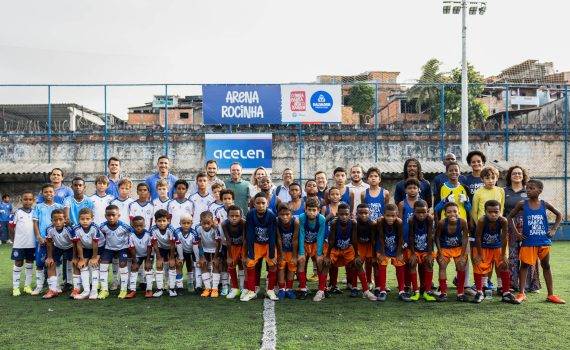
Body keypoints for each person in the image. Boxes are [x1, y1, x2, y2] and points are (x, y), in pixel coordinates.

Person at [508, 180, 565, 304]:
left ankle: (550, 295)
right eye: (527, 188)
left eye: (531, 188)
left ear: (539, 191)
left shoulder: (544, 204)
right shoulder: (522, 204)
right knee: (524, 266)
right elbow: (510, 216)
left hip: (543, 241)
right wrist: (517, 233)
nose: (528, 190)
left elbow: (559, 215)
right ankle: (521, 293)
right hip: (528, 242)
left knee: (546, 266)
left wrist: (554, 229)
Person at [325, 203, 377, 301]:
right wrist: (327, 255)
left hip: (349, 248)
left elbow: (354, 240)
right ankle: (323, 289)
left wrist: (356, 254)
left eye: (346, 214)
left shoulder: (355, 223)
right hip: (336, 249)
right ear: (337, 214)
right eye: (341, 214)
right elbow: (331, 240)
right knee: (326, 263)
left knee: (357, 263)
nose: (344, 216)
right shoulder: (334, 223)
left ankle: (365, 290)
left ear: (350, 214)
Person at [472, 200, 518, 304]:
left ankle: (505, 293)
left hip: (497, 247)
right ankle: (479, 292)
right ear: (485, 211)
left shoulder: (503, 220)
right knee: (479, 266)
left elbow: (504, 237)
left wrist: (503, 255)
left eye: (496, 212)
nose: (493, 214)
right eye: (490, 212)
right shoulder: (482, 220)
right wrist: (479, 254)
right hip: (483, 247)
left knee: (504, 265)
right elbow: (478, 237)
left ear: (500, 211)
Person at [503, 166, 540, 292]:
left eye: (519, 173)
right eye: (514, 173)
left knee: (529, 254)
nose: (517, 175)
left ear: (523, 176)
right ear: (510, 175)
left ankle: (532, 285)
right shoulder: (504, 191)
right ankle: (512, 285)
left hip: (528, 226)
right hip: (510, 225)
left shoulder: (529, 190)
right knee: (513, 255)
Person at [471, 166, 505, 292]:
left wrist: (499, 224)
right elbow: (474, 211)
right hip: (483, 229)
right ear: (482, 179)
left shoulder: (500, 190)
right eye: (487, 178)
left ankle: (501, 285)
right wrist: (480, 225)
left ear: (497, 178)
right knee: (484, 259)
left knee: (499, 259)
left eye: (493, 178)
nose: (490, 180)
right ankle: (484, 284)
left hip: (497, 229)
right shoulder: (479, 192)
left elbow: (501, 209)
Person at [241, 193, 278, 302]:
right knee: (250, 263)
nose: (261, 205)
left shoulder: (271, 215)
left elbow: (272, 236)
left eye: (263, 203)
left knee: (272, 264)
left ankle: (270, 290)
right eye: (258, 203)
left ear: (267, 203)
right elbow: (250, 235)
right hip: (256, 244)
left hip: (268, 244)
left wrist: (271, 254)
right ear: (254, 204)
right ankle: (251, 291)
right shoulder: (250, 214)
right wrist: (250, 253)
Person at [31, 184, 64, 295]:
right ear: (42, 193)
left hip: (56, 240)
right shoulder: (38, 206)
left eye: (50, 192)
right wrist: (39, 236)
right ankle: (39, 286)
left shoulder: (59, 206)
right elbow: (35, 223)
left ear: (54, 193)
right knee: (40, 263)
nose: (48, 194)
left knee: (56, 262)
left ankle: (57, 285)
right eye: (46, 192)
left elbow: (62, 222)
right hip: (42, 240)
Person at [435, 202, 469, 302]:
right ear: (445, 214)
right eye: (449, 212)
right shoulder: (442, 223)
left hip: (458, 249)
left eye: (454, 211)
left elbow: (465, 238)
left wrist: (463, 255)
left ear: (458, 211)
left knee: (461, 266)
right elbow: (436, 237)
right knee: (442, 265)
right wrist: (440, 253)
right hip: (445, 249)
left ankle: (460, 293)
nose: (452, 214)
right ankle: (443, 293)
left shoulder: (463, 222)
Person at [375, 204, 408, 302]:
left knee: (400, 264)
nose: (390, 218)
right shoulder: (380, 221)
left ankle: (401, 291)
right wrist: (382, 253)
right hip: (383, 246)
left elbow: (401, 238)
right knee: (382, 263)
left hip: (396, 247)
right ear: (383, 215)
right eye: (388, 216)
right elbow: (380, 237)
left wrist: (399, 253)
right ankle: (382, 290)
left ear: (397, 214)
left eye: (393, 216)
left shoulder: (399, 222)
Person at [97, 205, 131, 300]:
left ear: (118, 215)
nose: (111, 217)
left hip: (122, 249)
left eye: (113, 215)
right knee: (103, 265)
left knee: (123, 264)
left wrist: (130, 250)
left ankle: (123, 290)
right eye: (109, 215)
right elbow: (100, 237)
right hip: (109, 248)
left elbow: (131, 236)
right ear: (105, 216)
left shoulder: (125, 227)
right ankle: (104, 290)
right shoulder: (102, 226)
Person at [297, 197, 327, 300]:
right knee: (301, 260)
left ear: (318, 210)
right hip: (305, 243)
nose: (311, 212)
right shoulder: (301, 217)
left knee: (319, 260)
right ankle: (302, 288)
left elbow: (320, 236)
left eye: (314, 210)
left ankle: (322, 288)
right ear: (305, 209)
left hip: (316, 244)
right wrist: (301, 252)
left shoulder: (321, 219)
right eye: (309, 210)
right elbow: (301, 234)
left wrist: (319, 253)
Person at [407, 200, 436, 302]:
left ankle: (427, 292)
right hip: (415, 248)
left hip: (426, 248)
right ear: (414, 211)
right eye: (418, 212)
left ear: (427, 211)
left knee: (429, 263)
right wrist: (413, 253)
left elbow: (430, 236)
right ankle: (416, 291)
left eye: (424, 212)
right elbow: (410, 236)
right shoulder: (411, 220)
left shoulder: (429, 218)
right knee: (412, 262)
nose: (421, 215)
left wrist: (429, 254)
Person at [41, 209, 75, 299]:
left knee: (75, 264)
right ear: (51, 220)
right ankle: (53, 290)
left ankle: (76, 288)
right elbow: (49, 242)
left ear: (65, 219)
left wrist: (75, 257)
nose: (58, 222)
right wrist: (49, 257)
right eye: (55, 220)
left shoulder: (69, 229)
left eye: (60, 219)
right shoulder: (49, 229)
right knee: (50, 263)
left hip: (71, 247)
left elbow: (75, 243)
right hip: (58, 247)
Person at [72, 208, 104, 300]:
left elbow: (95, 243)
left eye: (87, 219)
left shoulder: (95, 228)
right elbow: (78, 244)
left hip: (99, 247)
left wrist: (94, 257)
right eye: (82, 219)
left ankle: (94, 291)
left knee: (92, 264)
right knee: (82, 265)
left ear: (92, 219)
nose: (85, 221)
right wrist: (81, 258)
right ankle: (86, 291)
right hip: (86, 247)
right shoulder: (76, 229)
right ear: (79, 219)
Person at [109, 178, 134, 291]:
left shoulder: (132, 202)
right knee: (115, 256)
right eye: (122, 188)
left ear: (130, 189)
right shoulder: (113, 202)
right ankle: (115, 280)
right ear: (118, 189)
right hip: (115, 233)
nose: (124, 190)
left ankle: (127, 280)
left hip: (128, 233)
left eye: (126, 188)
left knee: (128, 257)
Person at [9, 191, 35, 296]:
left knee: (29, 264)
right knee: (18, 263)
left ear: (33, 201)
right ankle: (15, 287)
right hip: (19, 244)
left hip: (32, 244)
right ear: (21, 200)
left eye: (30, 199)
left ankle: (27, 286)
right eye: (25, 199)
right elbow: (11, 227)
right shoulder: (17, 212)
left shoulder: (35, 212)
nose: (27, 201)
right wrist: (13, 240)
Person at [150, 209, 178, 298]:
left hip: (171, 249)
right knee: (159, 265)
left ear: (168, 221)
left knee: (172, 265)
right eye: (159, 221)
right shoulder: (153, 229)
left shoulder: (171, 229)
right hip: (160, 248)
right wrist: (158, 257)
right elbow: (154, 243)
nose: (162, 223)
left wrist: (172, 257)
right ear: (155, 221)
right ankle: (159, 289)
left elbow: (173, 244)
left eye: (164, 221)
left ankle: (172, 288)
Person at [222, 205, 246, 299]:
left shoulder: (244, 223)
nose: (234, 218)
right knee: (231, 264)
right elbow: (228, 240)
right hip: (232, 247)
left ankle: (243, 288)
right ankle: (235, 288)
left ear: (241, 216)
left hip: (243, 246)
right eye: (231, 216)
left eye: (237, 216)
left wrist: (244, 254)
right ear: (228, 216)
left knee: (243, 264)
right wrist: (230, 256)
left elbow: (245, 239)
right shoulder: (224, 224)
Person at [196, 211, 222, 298]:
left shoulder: (216, 229)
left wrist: (215, 257)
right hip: (205, 249)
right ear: (200, 222)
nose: (206, 225)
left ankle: (215, 288)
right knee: (203, 264)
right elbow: (199, 243)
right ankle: (207, 288)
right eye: (204, 223)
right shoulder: (198, 229)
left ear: (212, 221)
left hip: (216, 249)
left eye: (208, 223)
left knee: (215, 264)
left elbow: (218, 243)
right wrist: (201, 255)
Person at [276, 204, 299, 300]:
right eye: (282, 214)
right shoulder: (277, 222)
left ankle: (289, 288)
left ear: (291, 214)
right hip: (281, 249)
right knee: (281, 266)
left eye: (287, 214)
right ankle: (281, 288)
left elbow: (295, 239)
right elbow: (278, 238)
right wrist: (280, 254)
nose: (285, 217)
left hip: (291, 249)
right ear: (278, 214)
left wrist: (294, 256)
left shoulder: (296, 222)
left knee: (292, 266)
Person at [127, 216, 153, 298]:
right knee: (134, 268)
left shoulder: (148, 234)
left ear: (144, 225)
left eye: (141, 226)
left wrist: (148, 260)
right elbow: (132, 248)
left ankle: (149, 290)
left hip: (148, 254)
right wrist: (135, 261)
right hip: (137, 254)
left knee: (148, 268)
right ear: (133, 226)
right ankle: (132, 290)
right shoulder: (131, 235)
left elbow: (149, 247)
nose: (138, 228)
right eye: (136, 226)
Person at [354, 204, 376, 295]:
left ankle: (369, 282)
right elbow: (354, 239)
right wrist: (356, 253)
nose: (363, 215)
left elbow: (374, 240)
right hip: (359, 245)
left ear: (369, 213)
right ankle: (354, 286)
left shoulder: (372, 224)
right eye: (361, 213)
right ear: (356, 214)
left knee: (370, 262)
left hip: (369, 245)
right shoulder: (354, 224)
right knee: (356, 263)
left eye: (366, 213)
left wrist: (374, 255)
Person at [174, 214, 197, 294]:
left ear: (191, 223)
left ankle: (190, 282)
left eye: (188, 223)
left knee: (190, 266)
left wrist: (197, 258)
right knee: (179, 265)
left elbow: (195, 247)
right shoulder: (176, 232)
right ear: (180, 223)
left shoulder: (194, 233)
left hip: (191, 251)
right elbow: (178, 245)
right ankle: (179, 285)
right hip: (181, 251)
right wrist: (180, 257)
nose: (186, 225)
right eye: (184, 223)